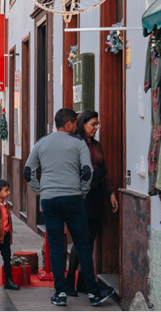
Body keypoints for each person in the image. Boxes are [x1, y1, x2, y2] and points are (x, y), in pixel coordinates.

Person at [24, 108, 115, 307]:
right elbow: (87, 172)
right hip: (73, 199)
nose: (76, 126)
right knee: (82, 245)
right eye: (75, 122)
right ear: (69, 123)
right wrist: (81, 193)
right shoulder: (78, 143)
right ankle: (93, 293)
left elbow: (27, 171)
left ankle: (60, 293)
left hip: (50, 200)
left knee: (56, 247)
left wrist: (42, 191)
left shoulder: (41, 143)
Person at [67, 111, 119, 295]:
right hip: (81, 194)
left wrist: (111, 192)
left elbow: (103, 170)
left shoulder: (97, 146)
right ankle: (69, 280)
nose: (96, 127)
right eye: (93, 124)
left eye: (98, 124)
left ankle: (81, 282)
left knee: (90, 240)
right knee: (82, 239)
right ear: (82, 124)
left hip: (96, 195)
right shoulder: (75, 144)